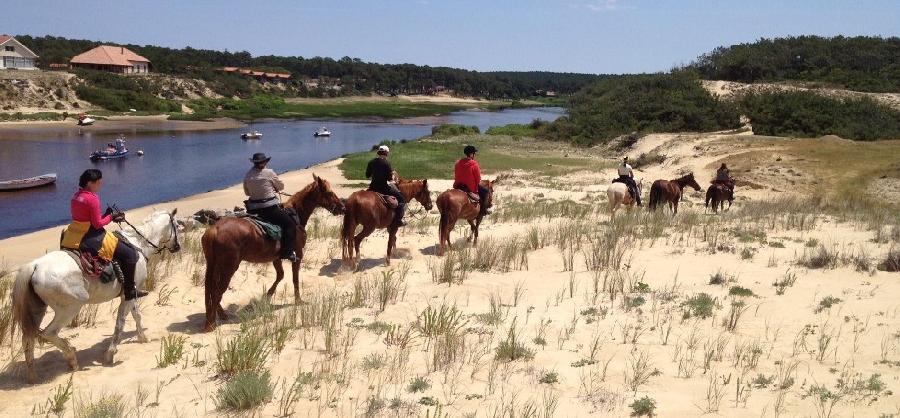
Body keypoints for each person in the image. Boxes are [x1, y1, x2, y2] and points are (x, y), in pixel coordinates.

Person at [61, 169, 146, 300]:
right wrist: (111, 217)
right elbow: (97, 224)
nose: (100, 185)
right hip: (92, 235)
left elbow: (87, 218)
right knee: (130, 254)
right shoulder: (92, 198)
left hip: (75, 233)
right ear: (90, 183)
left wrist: (105, 215)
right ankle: (130, 290)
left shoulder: (76, 196)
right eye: (98, 183)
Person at [243, 153, 299, 262]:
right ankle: (287, 253)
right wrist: (272, 187)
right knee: (290, 224)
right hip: (269, 209)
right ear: (265, 162)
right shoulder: (269, 173)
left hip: (253, 209)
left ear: (254, 163)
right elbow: (281, 186)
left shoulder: (248, 174)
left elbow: (247, 192)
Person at [366, 145, 406, 227]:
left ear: (378, 153)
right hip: (384, 188)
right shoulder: (386, 163)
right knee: (402, 199)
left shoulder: (371, 162)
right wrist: (393, 176)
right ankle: (398, 220)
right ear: (386, 153)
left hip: (372, 188)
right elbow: (390, 179)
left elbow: (367, 175)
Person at [453, 145, 490, 216]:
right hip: (469, 187)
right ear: (471, 154)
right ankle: (484, 210)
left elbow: (456, 174)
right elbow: (478, 179)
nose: (474, 155)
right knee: (486, 192)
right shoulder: (474, 164)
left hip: (458, 186)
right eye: (474, 153)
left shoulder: (458, 163)